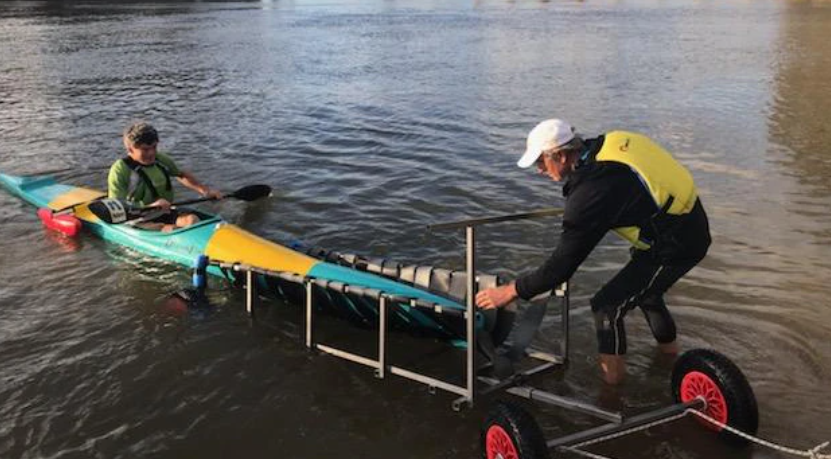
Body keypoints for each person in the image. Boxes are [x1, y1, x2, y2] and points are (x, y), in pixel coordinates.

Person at [475, 119, 711, 385]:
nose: (539, 170)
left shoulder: (592, 192)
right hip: (685, 222)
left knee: (607, 306)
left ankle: (612, 397)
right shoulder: (612, 142)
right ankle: (670, 363)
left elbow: (561, 268)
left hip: (676, 245)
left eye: (541, 162)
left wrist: (510, 291)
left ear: (561, 155)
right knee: (647, 294)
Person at [107, 122, 222, 232]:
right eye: (145, 149)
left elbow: (181, 175)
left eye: (154, 147)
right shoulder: (120, 170)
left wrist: (205, 191)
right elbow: (118, 207)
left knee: (192, 220)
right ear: (130, 149)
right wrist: (150, 206)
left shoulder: (161, 160)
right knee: (168, 228)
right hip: (137, 219)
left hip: (163, 212)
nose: (151, 153)